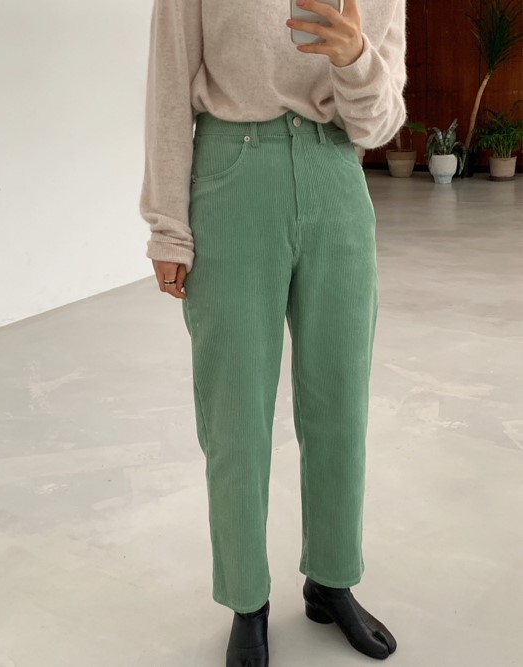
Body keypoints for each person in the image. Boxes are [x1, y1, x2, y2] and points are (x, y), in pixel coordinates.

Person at [139, 0, 408, 664]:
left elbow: (378, 124)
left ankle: (332, 578)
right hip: (230, 177)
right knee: (234, 412)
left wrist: (354, 60)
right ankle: (246, 599)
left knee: (340, 402)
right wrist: (167, 225)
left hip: (335, 178)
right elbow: (169, 86)